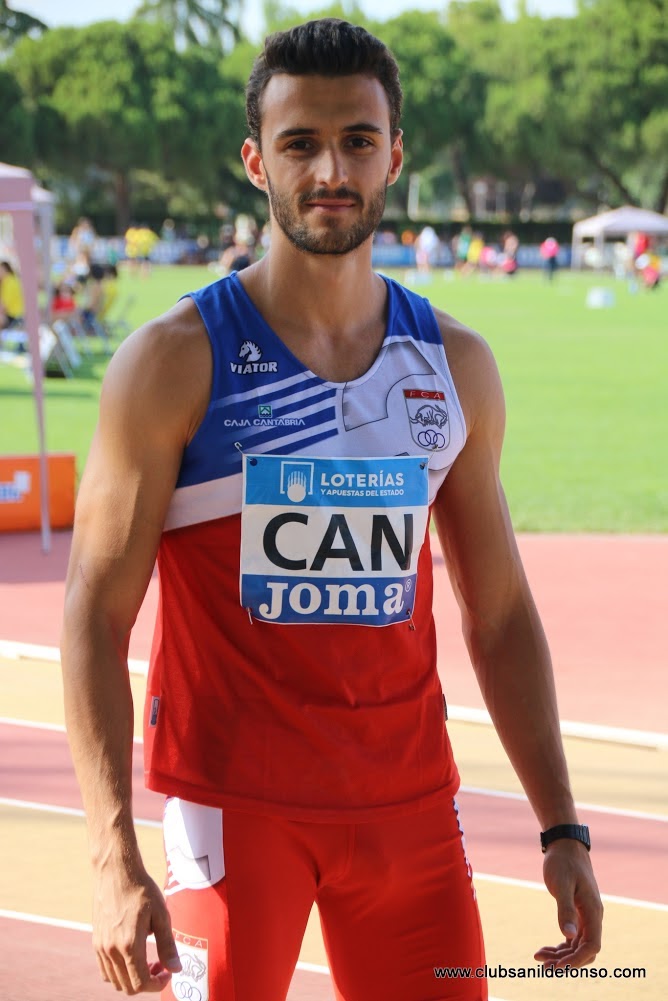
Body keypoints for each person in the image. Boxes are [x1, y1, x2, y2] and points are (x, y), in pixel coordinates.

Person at [61, 18, 603, 1001]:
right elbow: (94, 612)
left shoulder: (453, 366)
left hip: (410, 818)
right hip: (233, 817)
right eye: (299, 142)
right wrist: (111, 858)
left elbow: (499, 612)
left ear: (392, 155)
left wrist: (559, 822)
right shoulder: (173, 361)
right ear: (253, 160)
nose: (329, 169)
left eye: (356, 140)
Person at [0, 260, 24, 329]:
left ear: (4, 270)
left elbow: (4, 306)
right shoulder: (12, 280)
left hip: (14, 316)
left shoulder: (9, 282)